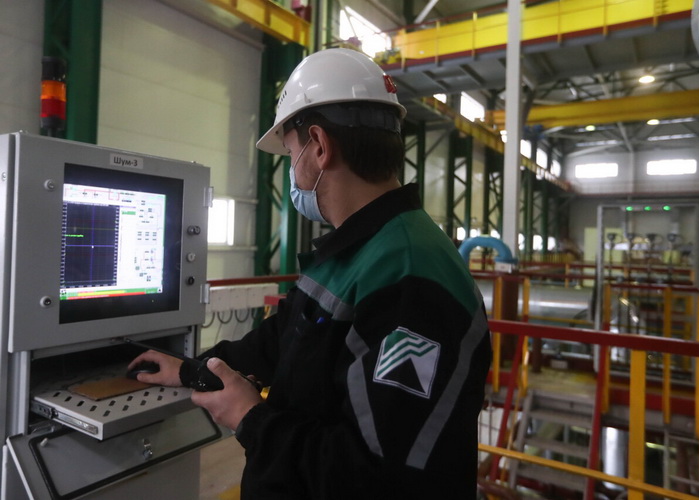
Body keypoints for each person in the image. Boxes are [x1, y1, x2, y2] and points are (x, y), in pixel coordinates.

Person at [129, 48, 491, 499]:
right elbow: (285, 337)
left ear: (318, 146)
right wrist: (192, 368)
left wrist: (251, 417)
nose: (292, 170)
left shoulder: (409, 276)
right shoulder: (357, 249)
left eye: (290, 151)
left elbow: (376, 477)